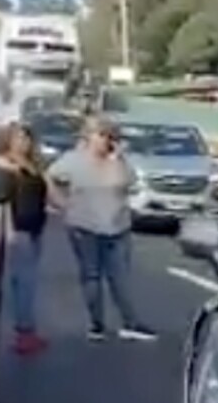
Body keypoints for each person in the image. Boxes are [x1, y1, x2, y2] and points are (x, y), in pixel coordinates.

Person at [45, 115, 155, 341]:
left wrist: (117, 158)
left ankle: (130, 323)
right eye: (100, 135)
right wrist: (60, 202)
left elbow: (128, 182)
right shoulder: (73, 160)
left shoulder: (118, 162)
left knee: (120, 278)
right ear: (88, 137)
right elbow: (49, 177)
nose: (105, 140)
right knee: (91, 276)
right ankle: (97, 325)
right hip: (84, 227)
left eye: (109, 136)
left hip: (117, 227)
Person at [0, 123, 49, 355]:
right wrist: (7, 232)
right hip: (17, 228)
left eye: (26, 139)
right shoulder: (3, 165)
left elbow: (47, 192)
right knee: (23, 283)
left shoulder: (34, 166)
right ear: (7, 141)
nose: (23, 143)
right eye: (17, 138)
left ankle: (27, 330)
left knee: (27, 282)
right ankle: (24, 332)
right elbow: (1, 201)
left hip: (35, 228)